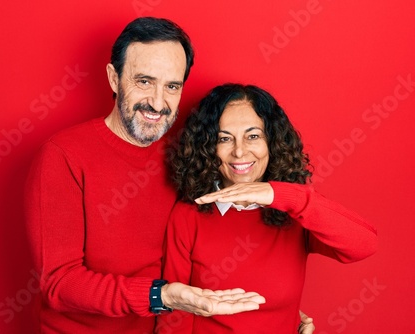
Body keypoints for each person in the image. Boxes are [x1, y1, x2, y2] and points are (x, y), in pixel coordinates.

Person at [24, 18, 267, 334]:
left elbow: (216, 246)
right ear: (114, 78)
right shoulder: (62, 155)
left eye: (171, 86)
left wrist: (277, 310)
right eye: (144, 81)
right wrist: (159, 296)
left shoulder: (185, 153)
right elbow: (60, 282)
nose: (157, 102)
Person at [155, 83, 378, 333]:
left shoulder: (296, 210)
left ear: (271, 143)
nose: (239, 151)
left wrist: (280, 195)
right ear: (208, 148)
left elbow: (364, 245)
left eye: (253, 136)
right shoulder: (188, 215)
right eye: (224, 138)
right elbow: (174, 317)